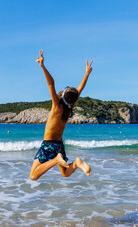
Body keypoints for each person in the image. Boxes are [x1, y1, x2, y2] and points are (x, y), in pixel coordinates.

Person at [30, 50, 93, 180]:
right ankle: (77, 163)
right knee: (65, 173)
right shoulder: (69, 108)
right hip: (59, 145)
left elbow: (51, 83)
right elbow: (79, 90)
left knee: (33, 176)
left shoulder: (57, 106)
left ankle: (55, 160)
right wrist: (86, 73)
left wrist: (42, 66)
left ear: (63, 94)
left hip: (49, 144)